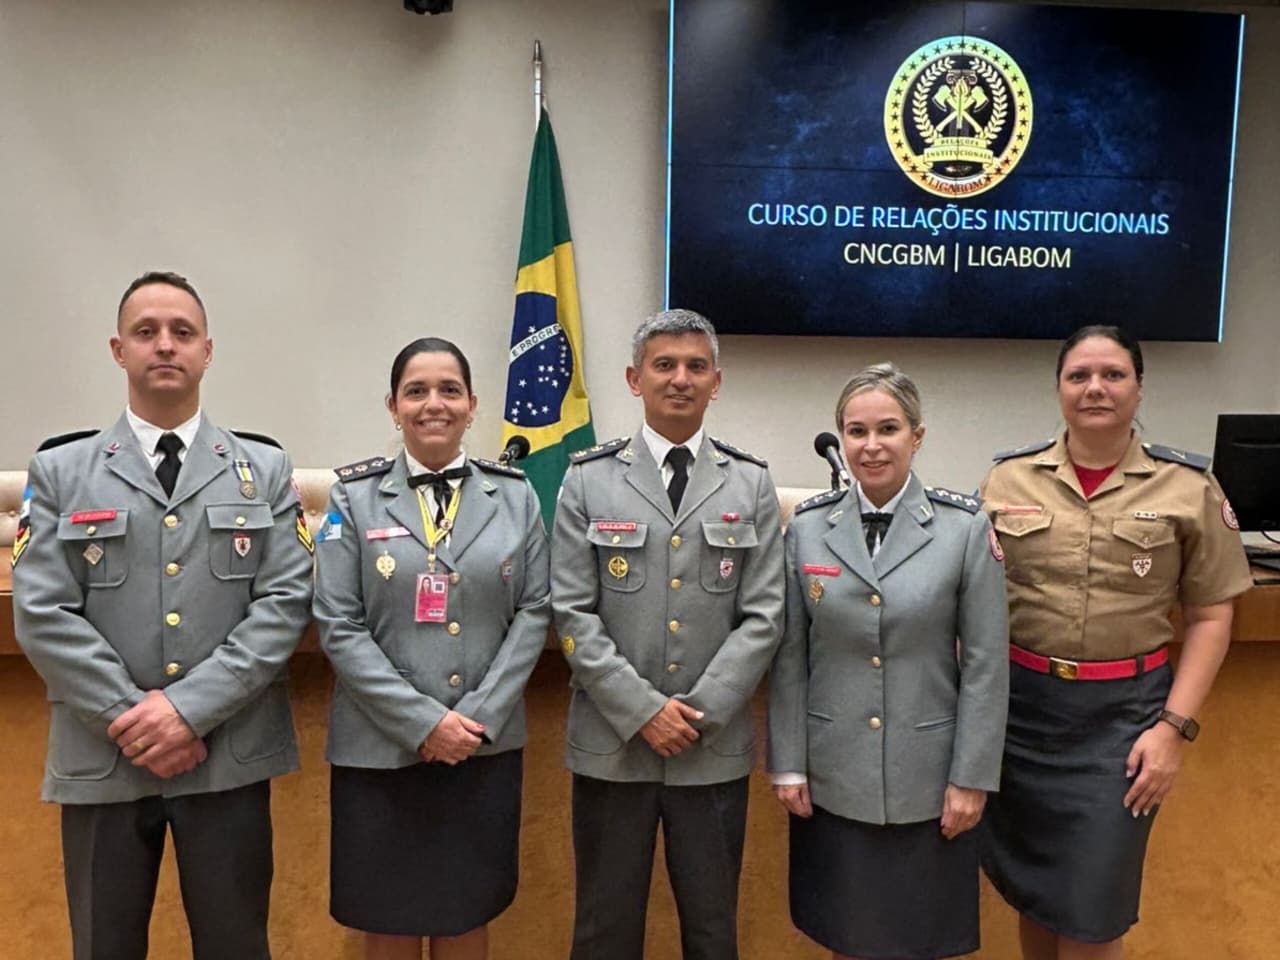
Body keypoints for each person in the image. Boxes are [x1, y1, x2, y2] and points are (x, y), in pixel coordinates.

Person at [11, 271, 314, 960]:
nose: (165, 346)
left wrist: (185, 713)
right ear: (118, 351)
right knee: (104, 947)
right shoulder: (61, 470)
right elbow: (42, 611)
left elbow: (283, 603)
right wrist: (132, 715)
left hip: (226, 756)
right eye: (146, 333)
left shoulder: (262, 469)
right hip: (101, 755)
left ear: (208, 350)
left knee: (237, 944)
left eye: (182, 332)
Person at [980, 325, 1253, 960]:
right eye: (1079, 376)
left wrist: (1173, 729)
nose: (1095, 388)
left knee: (1092, 914)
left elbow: (1213, 617)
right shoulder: (1006, 481)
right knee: (1039, 896)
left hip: (1123, 725)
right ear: (1058, 389)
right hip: (1021, 717)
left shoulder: (1188, 487)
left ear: (1138, 388)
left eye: (1112, 375)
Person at [551, 309, 784, 960]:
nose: (679, 379)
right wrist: (644, 711)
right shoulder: (587, 479)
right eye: (664, 365)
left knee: (712, 932)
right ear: (634, 378)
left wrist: (694, 715)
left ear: (717, 382)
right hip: (611, 746)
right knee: (604, 930)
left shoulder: (750, 482)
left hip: (709, 752)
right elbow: (571, 610)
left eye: (695, 367)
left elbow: (765, 615)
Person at [312, 337, 550, 960]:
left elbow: (534, 610)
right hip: (380, 750)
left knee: (465, 913)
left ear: (472, 405)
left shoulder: (516, 496)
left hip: (481, 744)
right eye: (416, 391)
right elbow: (337, 622)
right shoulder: (351, 497)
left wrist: (476, 719)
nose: (433, 404)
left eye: (449, 390)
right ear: (393, 405)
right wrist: (423, 723)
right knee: (387, 917)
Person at [767, 362, 1009, 960]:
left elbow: (985, 664)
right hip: (834, 776)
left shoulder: (963, 529)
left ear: (916, 437)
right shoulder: (807, 528)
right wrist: (788, 764)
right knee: (845, 937)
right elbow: (790, 656)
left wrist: (971, 778)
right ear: (841, 438)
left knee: (919, 941)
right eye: (856, 431)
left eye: (888, 429)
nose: (871, 446)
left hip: (928, 782)